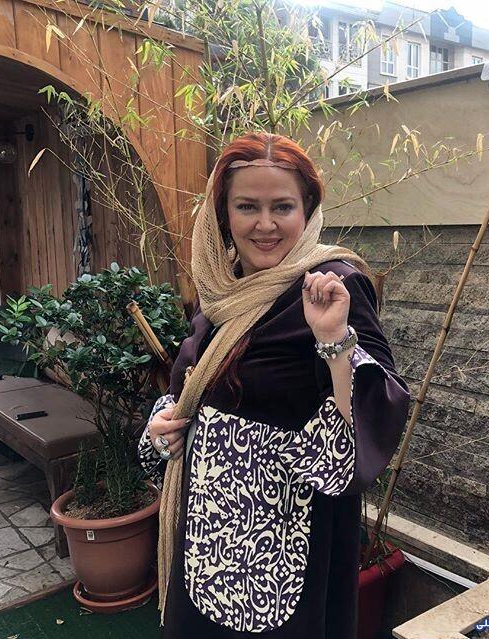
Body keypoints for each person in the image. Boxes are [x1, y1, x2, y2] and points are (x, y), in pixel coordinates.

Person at [137, 132, 411, 639]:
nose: (265, 225)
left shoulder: (332, 286)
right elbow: (192, 391)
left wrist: (334, 341)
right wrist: (163, 427)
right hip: (205, 540)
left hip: (281, 558)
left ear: (307, 210)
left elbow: (377, 412)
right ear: (224, 215)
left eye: (282, 206)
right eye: (247, 206)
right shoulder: (221, 292)